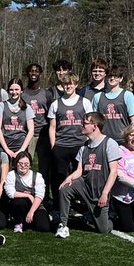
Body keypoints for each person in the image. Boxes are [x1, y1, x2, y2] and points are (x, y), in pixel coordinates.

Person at [56, 112, 121, 239]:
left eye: (85, 123)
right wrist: (68, 178)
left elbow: (113, 171)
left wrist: (105, 193)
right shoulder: (84, 147)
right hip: (84, 186)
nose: (82, 125)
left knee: (103, 229)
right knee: (65, 188)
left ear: (94, 126)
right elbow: (80, 170)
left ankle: (111, 217)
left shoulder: (109, 143)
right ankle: (63, 225)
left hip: (99, 191)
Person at [46, 70, 93, 211]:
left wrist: (87, 141)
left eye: (71, 84)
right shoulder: (55, 104)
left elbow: (89, 124)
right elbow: (52, 127)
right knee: (59, 177)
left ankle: (82, 205)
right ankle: (59, 206)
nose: (68, 86)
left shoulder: (84, 102)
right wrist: (54, 145)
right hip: (61, 145)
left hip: (80, 145)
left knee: (81, 176)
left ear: (76, 84)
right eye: (66, 84)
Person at [2, 151, 51, 233]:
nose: (23, 166)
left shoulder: (37, 176)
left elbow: (39, 196)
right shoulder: (11, 175)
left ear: (30, 165)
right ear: (16, 163)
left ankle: (28, 221)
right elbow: (10, 193)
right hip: (19, 205)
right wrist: (28, 196)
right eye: (20, 163)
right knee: (19, 202)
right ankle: (18, 222)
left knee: (43, 227)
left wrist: (31, 212)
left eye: (26, 164)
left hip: (34, 205)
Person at [22, 63, 53, 193]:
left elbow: (51, 115)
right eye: (31, 71)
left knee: (44, 167)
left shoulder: (46, 94)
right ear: (27, 73)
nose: (33, 73)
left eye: (36, 71)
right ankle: (25, 191)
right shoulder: (22, 93)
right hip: (28, 135)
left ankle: (44, 196)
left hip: (43, 134)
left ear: (40, 73)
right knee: (25, 165)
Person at [90, 66, 134, 140]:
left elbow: (133, 120)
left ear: (121, 79)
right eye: (110, 76)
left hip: (123, 139)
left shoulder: (127, 95)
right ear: (106, 77)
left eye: (116, 76)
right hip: (103, 139)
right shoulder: (97, 97)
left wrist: (131, 137)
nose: (112, 78)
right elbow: (93, 119)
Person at [0, 79, 33, 161]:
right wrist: (6, 149)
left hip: (20, 145)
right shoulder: (2, 105)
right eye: (11, 90)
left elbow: (31, 130)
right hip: (4, 145)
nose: (14, 92)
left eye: (16, 89)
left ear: (21, 91)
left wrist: (22, 150)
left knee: (20, 171)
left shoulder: (27, 107)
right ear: (8, 91)